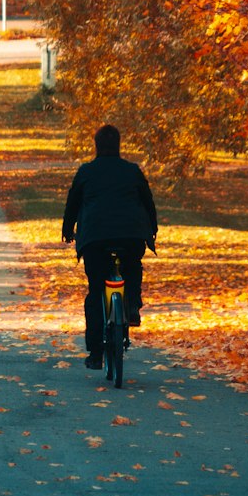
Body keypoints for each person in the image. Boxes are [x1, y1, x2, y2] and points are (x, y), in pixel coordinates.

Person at [61, 124, 157, 369]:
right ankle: (133, 303)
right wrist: (152, 229)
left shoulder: (86, 171)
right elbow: (148, 203)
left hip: (95, 238)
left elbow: (73, 203)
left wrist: (67, 230)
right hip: (131, 235)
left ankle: (95, 353)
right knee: (132, 266)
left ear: (96, 146)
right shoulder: (132, 171)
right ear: (119, 145)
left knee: (96, 291)